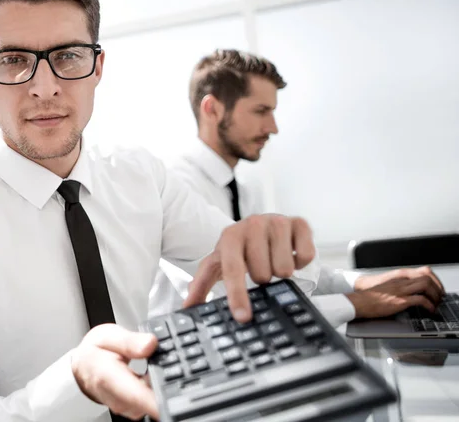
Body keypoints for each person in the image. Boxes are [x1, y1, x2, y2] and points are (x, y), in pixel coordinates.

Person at [0, 0, 332, 421]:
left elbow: (266, 275)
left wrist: (270, 248)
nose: (44, 88)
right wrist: (75, 383)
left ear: (97, 65)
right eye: (14, 60)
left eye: (68, 55)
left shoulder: (140, 176)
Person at [149, 48, 445, 328]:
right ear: (212, 109)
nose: (273, 127)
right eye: (261, 111)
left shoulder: (242, 190)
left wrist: (362, 283)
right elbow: (234, 299)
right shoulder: (177, 189)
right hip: (201, 361)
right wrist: (357, 303)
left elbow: (282, 271)